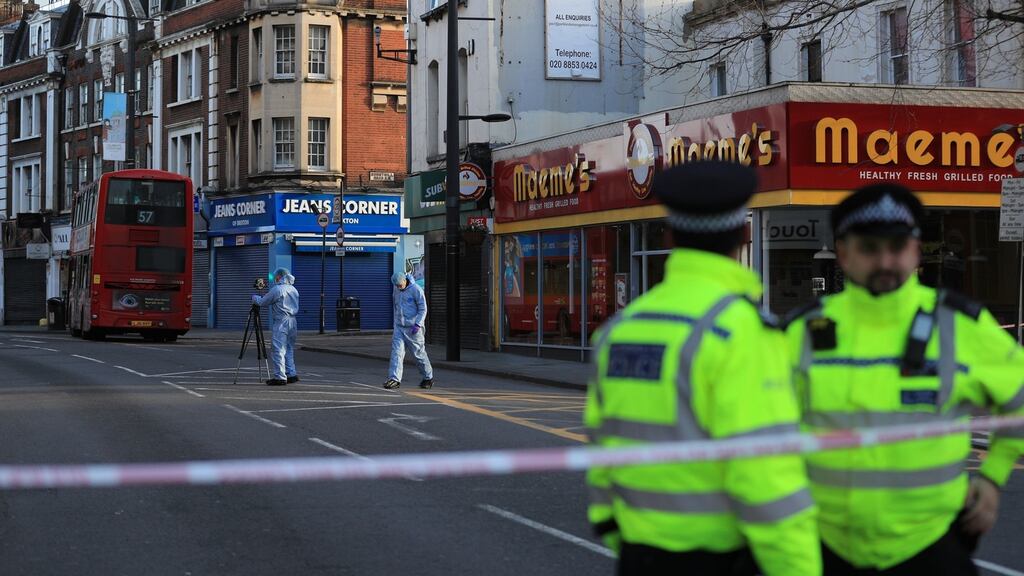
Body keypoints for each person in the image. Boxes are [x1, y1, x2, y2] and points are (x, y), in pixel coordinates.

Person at [585, 161, 820, 576]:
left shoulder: (621, 329)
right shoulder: (740, 331)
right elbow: (766, 474)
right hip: (719, 556)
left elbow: (603, 441)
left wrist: (615, 527)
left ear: (670, 234)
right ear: (744, 233)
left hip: (638, 552)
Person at [785, 183, 1024, 575]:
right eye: (869, 248)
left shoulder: (962, 325)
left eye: (897, 247)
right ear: (843, 253)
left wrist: (994, 476)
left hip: (929, 547)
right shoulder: (802, 332)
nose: (885, 261)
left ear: (915, 250)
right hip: (823, 548)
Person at [384, 271, 433, 390]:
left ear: (405, 281)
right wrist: (396, 323)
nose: (399, 287)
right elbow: (396, 306)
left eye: (400, 285)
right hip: (400, 327)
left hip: (413, 329)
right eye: (397, 286)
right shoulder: (397, 290)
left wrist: (418, 324)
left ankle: (428, 377)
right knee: (396, 353)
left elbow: (423, 308)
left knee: (419, 355)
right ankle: (394, 379)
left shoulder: (416, 290)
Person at [252, 267, 300, 386]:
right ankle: (291, 373)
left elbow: (263, 302)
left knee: (278, 349)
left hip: (281, 321)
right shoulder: (293, 289)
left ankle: (280, 376)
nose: (274, 279)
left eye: (275, 277)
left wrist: (254, 297)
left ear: (279, 277)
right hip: (293, 321)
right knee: (288, 348)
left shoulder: (277, 289)